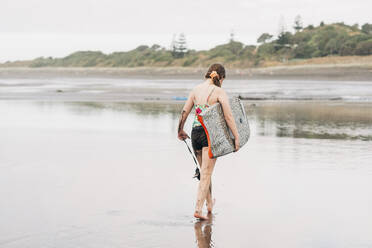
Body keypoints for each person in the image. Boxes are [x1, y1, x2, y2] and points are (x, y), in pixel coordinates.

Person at [177, 63, 240, 220]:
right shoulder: (219, 91)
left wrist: (180, 130)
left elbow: (184, 111)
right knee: (206, 174)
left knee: (206, 173)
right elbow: (228, 116)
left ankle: (210, 204)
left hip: (195, 133)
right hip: (209, 135)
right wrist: (236, 137)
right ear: (221, 77)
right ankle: (198, 209)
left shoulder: (195, 89)